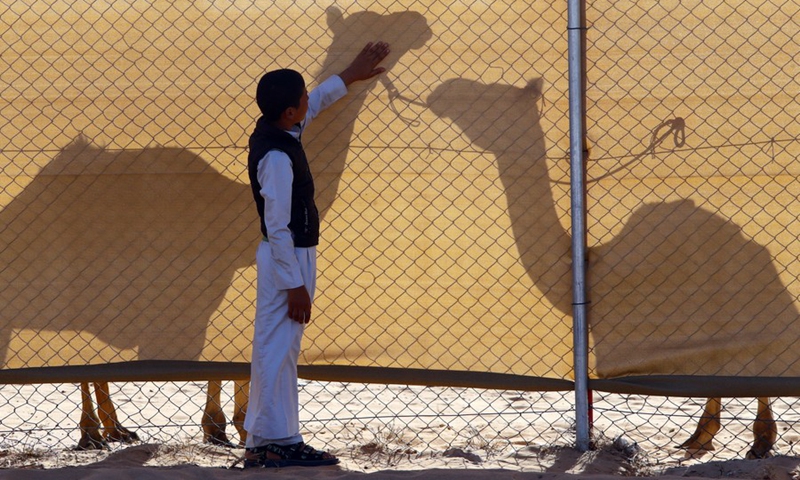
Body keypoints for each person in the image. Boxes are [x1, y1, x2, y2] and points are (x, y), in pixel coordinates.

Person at [243, 41, 391, 468]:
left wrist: (350, 73)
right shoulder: (275, 156)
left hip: (288, 257)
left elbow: (320, 100)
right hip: (285, 259)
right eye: (302, 98)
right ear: (290, 112)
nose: (310, 99)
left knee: (278, 347)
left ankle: (266, 440)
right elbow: (277, 226)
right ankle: (277, 441)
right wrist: (294, 285)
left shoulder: (281, 131)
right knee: (277, 348)